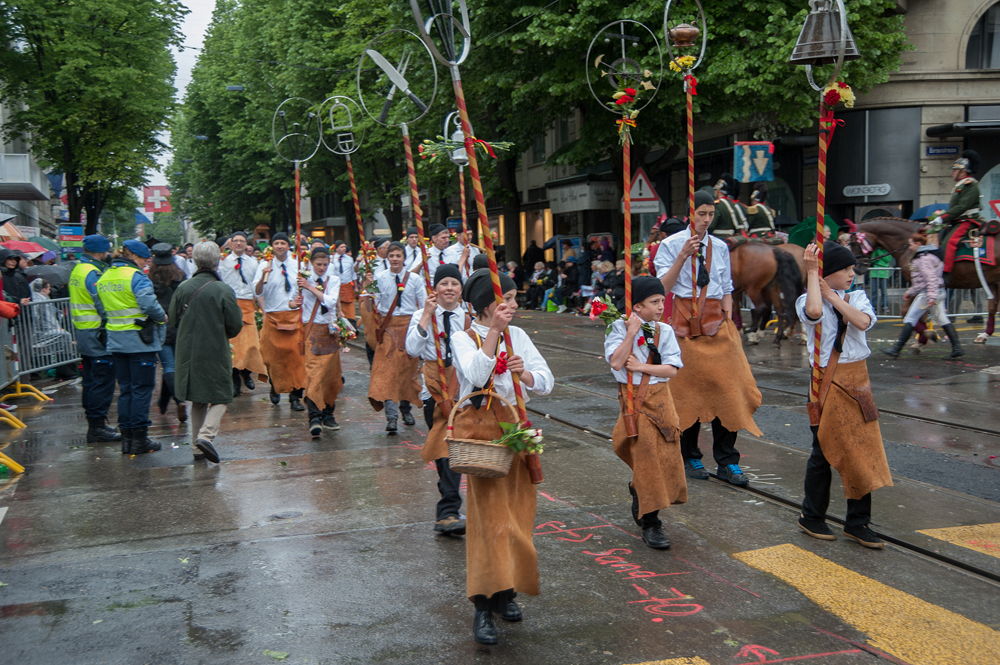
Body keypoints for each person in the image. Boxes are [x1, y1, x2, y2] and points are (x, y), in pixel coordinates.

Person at [450, 268, 554, 645]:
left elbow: (546, 382)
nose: (512, 305)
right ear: (484, 306)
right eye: (505, 299)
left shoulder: (519, 336)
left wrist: (525, 375)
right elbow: (477, 375)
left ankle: (507, 592)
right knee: (488, 522)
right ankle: (482, 603)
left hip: (518, 430)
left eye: (512, 298)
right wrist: (493, 332)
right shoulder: (462, 336)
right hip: (483, 436)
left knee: (517, 516)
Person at [654, 190, 763, 487]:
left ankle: (728, 461)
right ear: (690, 214)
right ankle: (690, 456)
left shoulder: (719, 246)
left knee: (729, 391)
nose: (706, 219)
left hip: (717, 322)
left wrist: (728, 313)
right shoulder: (670, 244)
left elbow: (726, 286)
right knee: (688, 392)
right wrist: (682, 256)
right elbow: (662, 287)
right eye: (701, 214)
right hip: (684, 324)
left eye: (710, 214)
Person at [796, 242, 892, 549]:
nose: (852, 274)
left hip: (857, 380)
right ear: (828, 273)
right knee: (822, 450)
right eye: (845, 269)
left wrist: (833, 297)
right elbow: (813, 312)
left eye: (853, 268)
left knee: (861, 450)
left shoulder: (856, 297)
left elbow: (861, 322)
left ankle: (858, 522)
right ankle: (812, 516)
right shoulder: (806, 299)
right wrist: (813, 274)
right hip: (825, 380)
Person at [604, 276, 685, 549]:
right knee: (647, 455)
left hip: (661, 399)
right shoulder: (617, 327)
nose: (661, 306)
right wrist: (630, 333)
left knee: (666, 457)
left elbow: (671, 370)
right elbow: (616, 363)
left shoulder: (665, 331)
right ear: (637, 306)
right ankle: (651, 522)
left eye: (662, 300)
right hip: (633, 399)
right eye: (654, 301)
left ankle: (639, 489)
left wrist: (641, 367)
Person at [405, 263, 468, 536]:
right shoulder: (422, 314)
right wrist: (426, 315)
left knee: (453, 448)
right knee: (445, 449)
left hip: (462, 387)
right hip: (433, 388)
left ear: (461, 289)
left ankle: (448, 511)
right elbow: (411, 349)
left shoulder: (468, 317)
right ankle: (448, 512)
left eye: (454, 284)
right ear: (435, 288)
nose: (449, 289)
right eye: (444, 284)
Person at [170, 242, 243, 464]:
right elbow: (235, 325)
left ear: (195, 260)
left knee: (198, 399)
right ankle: (206, 435)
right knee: (222, 395)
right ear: (217, 261)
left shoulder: (183, 288)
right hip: (215, 349)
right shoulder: (223, 290)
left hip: (188, 351)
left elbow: (172, 320)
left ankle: (196, 447)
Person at [96, 239, 166, 455]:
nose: (146, 262)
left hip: (116, 341)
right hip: (140, 341)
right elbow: (148, 304)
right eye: (144, 258)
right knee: (142, 390)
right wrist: (162, 316)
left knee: (126, 390)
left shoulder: (105, 276)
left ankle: (127, 439)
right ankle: (139, 439)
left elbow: (101, 307)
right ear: (133, 256)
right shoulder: (136, 277)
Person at [366, 242, 424, 434]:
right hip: (388, 327)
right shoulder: (379, 277)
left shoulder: (415, 279)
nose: (395, 259)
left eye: (398, 255)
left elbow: (423, 304)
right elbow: (371, 305)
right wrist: (368, 289)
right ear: (387, 258)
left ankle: (406, 410)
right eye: (392, 256)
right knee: (387, 372)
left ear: (404, 258)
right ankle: (391, 417)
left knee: (406, 371)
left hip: (409, 326)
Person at [68, 234, 120, 443]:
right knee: (102, 381)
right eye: (106, 250)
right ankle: (97, 427)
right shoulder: (92, 272)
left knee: (91, 380)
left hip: (84, 332)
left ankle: (95, 424)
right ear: (100, 251)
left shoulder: (79, 269)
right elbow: (102, 302)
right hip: (97, 333)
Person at [883, 232, 963, 359]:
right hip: (937, 292)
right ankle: (957, 348)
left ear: (918, 244)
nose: (910, 247)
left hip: (927, 294)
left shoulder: (923, 259)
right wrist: (911, 292)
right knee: (943, 319)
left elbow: (930, 278)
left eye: (911, 244)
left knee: (910, 318)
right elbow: (924, 280)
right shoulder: (929, 256)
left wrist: (930, 296)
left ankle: (896, 349)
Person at [254, 233, 306, 411]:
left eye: (283, 243)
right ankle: (275, 385)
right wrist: (263, 277)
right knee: (272, 357)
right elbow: (257, 291)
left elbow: (306, 286)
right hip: (273, 315)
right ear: (272, 246)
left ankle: (295, 396)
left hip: (294, 315)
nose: (280, 246)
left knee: (297, 358)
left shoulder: (298, 263)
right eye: (276, 243)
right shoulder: (264, 265)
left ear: (288, 246)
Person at [297, 246, 343, 437]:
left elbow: (330, 301)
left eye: (324, 264)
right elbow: (292, 301)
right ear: (311, 263)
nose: (321, 268)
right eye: (318, 264)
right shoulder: (301, 278)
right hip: (311, 330)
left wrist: (310, 287)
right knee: (314, 375)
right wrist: (295, 301)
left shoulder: (334, 280)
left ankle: (328, 414)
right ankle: (314, 417)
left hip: (329, 332)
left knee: (331, 377)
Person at [220, 231, 267, 396]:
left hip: (248, 305)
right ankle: (235, 380)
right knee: (233, 346)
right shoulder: (223, 261)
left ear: (246, 244)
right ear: (231, 243)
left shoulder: (254, 263)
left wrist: (262, 308)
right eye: (236, 241)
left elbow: (257, 288)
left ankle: (247, 373)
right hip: (230, 305)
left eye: (242, 241)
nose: (239, 243)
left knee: (251, 344)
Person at [149, 243, 187, 423]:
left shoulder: (150, 279)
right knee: (174, 366)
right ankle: (164, 401)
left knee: (168, 366)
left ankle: (179, 400)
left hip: (161, 325)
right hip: (179, 325)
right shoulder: (180, 276)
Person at [937, 151, 984, 274]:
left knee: (949, 242)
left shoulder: (970, 185)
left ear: (963, 171)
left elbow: (962, 206)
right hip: (958, 220)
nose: (952, 173)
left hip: (968, 221)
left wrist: (942, 218)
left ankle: (945, 273)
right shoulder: (961, 185)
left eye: (955, 170)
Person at [330, 241, 356, 322]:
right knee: (336, 305)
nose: (344, 248)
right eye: (341, 247)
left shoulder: (350, 259)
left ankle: (350, 322)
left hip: (347, 286)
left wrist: (355, 286)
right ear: (336, 248)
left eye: (345, 247)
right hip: (336, 286)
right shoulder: (331, 259)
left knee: (349, 307)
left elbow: (353, 273)